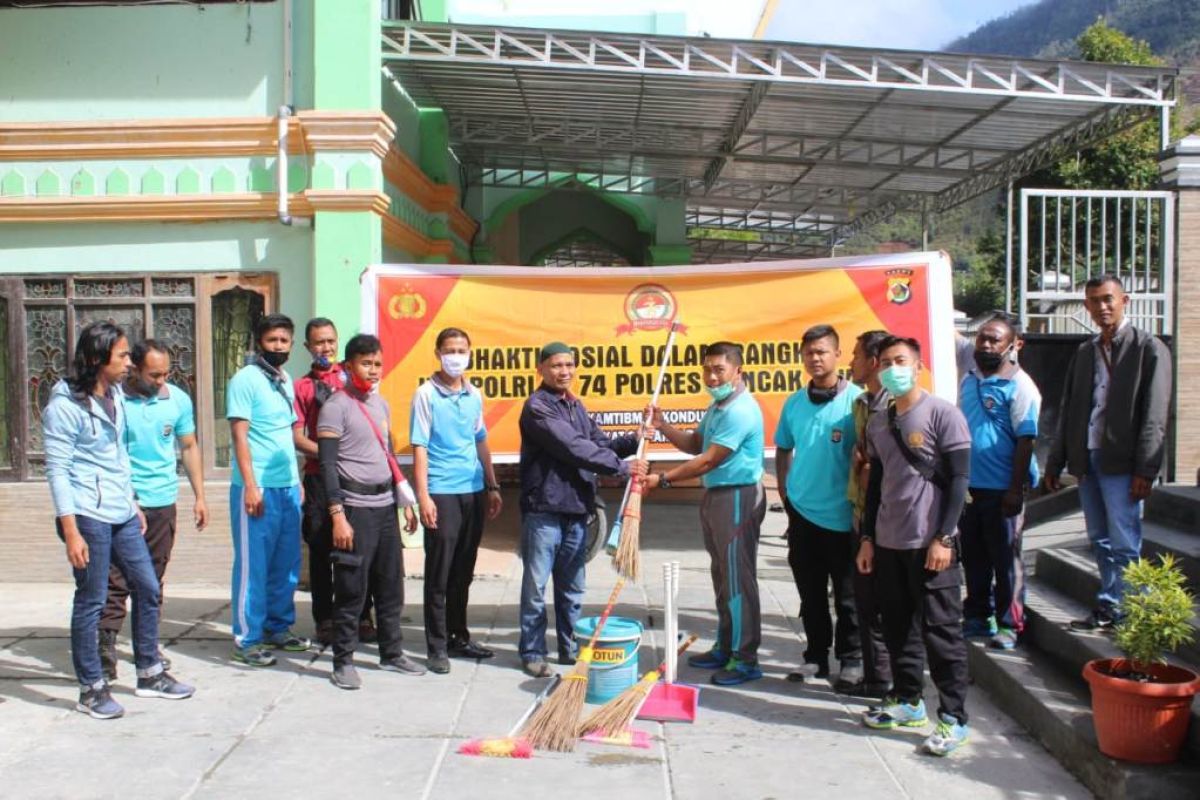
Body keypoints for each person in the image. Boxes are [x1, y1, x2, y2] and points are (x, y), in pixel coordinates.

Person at [44, 322, 194, 720]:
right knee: (92, 600)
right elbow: (58, 470)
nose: (130, 362)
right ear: (97, 359)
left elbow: (117, 458)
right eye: (124, 355)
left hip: (123, 510)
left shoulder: (113, 396)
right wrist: (71, 529)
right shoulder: (64, 406)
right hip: (87, 515)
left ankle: (149, 672)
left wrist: (132, 501)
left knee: (147, 586)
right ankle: (91, 688)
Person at [857, 335, 971, 756]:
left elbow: (960, 480)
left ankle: (954, 718)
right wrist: (868, 538)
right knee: (898, 627)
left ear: (918, 365)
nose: (892, 369)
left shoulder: (943, 414)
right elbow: (875, 488)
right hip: (889, 542)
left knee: (941, 634)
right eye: (885, 362)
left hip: (931, 545)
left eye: (900, 360)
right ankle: (907, 701)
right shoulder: (879, 420)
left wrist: (944, 537)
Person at [1044, 274, 1172, 631]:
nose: (1102, 307)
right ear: (1086, 306)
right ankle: (1109, 605)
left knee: (1124, 541)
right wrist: (1057, 460)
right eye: (1094, 301)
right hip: (1088, 457)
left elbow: (1154, 415)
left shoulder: (1149, 348)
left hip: (1123, 461)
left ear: (1124, 300)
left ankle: (1134, 613)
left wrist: (1146, 469)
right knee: (1098, 538)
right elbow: (1069, 409)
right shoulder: (1086, 352)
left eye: (1108, 299)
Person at [517, 342, 646, 678]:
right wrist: (621, 468)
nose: (565, 372)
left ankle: (569, 647)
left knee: (572, 587)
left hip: (577, 508)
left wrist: (636, 438)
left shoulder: (576, 406)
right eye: (557, 365)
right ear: (541, 369)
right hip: (544, 510)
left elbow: (598, 444)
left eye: (569, 365)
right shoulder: (537, 408)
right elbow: (572, 447)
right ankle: (532, 651)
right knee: (536, 586)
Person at [642, 341, 766, 687]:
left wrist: (663, 479)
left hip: (737, 497)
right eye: (707, 369)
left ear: (737, 371)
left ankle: (745, 658)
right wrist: (664, 426)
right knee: (722, 576)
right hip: (716, 495)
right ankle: (726, 646)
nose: (712, 377)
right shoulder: (718, 407)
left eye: (719, 370)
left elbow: (709, 459)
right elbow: (696, 444)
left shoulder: (741, 410)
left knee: (738, 580)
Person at [98, 339, 208, 682]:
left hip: (161, 504)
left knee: (152, 581)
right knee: (114, 580)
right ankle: (105, 648)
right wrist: (127, 497)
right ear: (135, 369)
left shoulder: (177, 400)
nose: (161, 381)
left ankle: (148, 645)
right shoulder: (116, 400)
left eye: (165, 374)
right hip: (123, 505)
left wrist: (199, 496)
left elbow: (188, 446)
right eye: (153, 374)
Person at [319, 334, 425, 689]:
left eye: (378, 363)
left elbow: (389, 456)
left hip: (385, 508)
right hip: (354, 509)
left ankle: (392, 653)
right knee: (351, 590)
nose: (373, 370)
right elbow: (328, 464)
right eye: (366, 363)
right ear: (348, 366)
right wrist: (337, 515)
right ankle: (343, 661)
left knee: (390, 586)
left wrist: (404, 502)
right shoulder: (336, 406)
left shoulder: (380, 405)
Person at [773, 325, 863, 690]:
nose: (815, 358)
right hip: (803, 516)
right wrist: (785, 493)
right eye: (809, 352)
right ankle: (815, 657)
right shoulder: (794, 403)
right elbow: (783, 447)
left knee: (847, 596)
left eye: (822, 351)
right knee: (810, 594)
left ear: (837, 355)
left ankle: (852, 659)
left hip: (843, 518)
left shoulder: (857, 402)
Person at [411, 327, 502, 675]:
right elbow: (420, 446)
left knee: (463, 571)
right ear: (437, 353)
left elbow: (480, 441)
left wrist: (492, 485)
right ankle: (436, 646)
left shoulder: (473, 394)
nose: (455, 355)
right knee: (439, 572)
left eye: (461, 349)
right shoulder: (425, 394)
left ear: (470, 353)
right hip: (441, 491)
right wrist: (424, 497)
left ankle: (458, 637)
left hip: (473, 490)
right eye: (449, 349)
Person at [227, 313, 309, 667]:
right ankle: (248, 638)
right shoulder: (245, 380)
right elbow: (239, 434)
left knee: (286, 564)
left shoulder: (284, 380)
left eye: (284, 341)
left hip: (287, 486)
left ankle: (279, 627)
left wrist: (298, 480)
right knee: (253, 566)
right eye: (272, 340)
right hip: (257, 488)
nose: (278, 347)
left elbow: (288, 435)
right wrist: (250, 485)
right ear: (259, 342)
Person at [958, 316, 1041, 650]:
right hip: (969, 487)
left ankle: (1010, 624)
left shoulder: (1022, 386)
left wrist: (1014, 490)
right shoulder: (968, 380)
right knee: (975, 557)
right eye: (982, 339)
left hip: (1002, 490)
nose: (987, 346)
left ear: (1013, 345)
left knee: (1006, 560)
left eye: (994, 340)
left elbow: (1027, 440)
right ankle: (978, 616)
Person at [292, 318, 375, 646]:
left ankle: (361, 616)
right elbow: (297, 437)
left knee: (359, 549)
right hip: (318, 479)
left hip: (356, 480)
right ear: (308, 347)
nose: (325, 348)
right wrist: (329, 455)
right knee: (321, 549)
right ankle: (325, 620)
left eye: (330, 341)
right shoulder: (302, 387)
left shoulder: (351, 377)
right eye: (318, 343)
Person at [844, 328, 893, 698]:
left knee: (885, 606)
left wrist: (868, 468)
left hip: (889, 521)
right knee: (865, 601)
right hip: (862, 512)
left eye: (856, 356)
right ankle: (876, 678)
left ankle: (892, 682)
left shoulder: (895, 408)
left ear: (873, 363)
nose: (851, 362)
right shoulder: (862, 404)